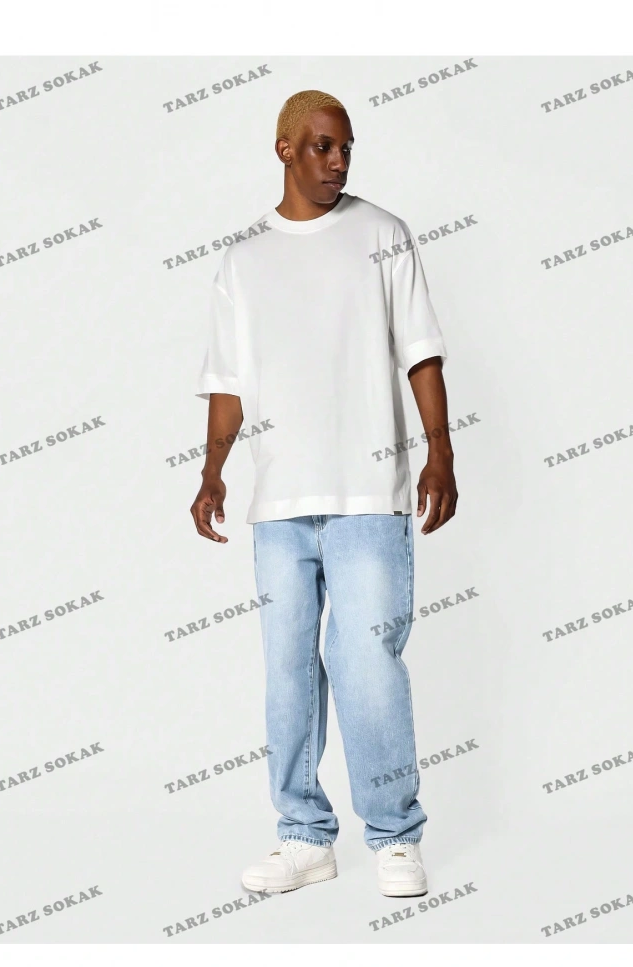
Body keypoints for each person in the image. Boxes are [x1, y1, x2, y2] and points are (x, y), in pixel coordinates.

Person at [192, 90, 457, 897]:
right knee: (287, 670)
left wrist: (441, 453)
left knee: (367, 661)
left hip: (369, 493)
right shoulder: (243, 260)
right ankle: (304, 837)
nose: (338, 161)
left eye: (346, 147)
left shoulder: (382, 235)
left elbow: (421, 354)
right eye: (321, 146)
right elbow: (229, 384)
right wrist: (211, 472)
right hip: (279, 504)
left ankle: (395, 838)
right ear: (284, 149)